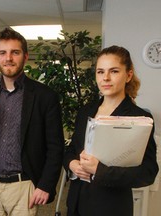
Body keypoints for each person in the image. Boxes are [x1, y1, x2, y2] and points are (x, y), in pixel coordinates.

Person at [0, 27, 64, 215]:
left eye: (15, 52)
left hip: (24, 186)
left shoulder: (45, 96)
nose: (8, 58)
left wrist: (45, 184)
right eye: (3, 53)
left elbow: (56, 147)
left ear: (25, 57)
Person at [63, 45, 159, 216]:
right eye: (100, 72)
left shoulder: (139, 118)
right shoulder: (86, 111)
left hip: (111, 206)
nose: (105, 78)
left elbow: (148, 172)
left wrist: (100, 171)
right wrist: (72, 164)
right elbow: (71, 150)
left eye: (114, 71)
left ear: (128, 75)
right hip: (77, 202)